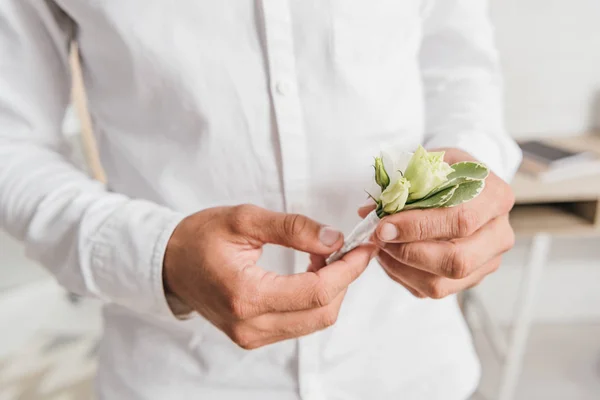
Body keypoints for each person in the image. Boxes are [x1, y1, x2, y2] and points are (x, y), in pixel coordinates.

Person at [0, 1, 521, 399]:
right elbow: (10, 144)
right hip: (178, 375)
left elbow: (459, 64)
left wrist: (469, 169)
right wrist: (159, 256)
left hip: (414, 366)